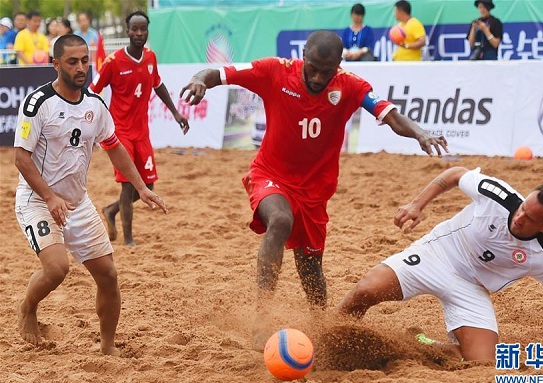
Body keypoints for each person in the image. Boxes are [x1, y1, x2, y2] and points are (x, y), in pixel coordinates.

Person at [180, 30, 448, 349]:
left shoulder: (350, 85)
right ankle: (262, 316)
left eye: (328, 70)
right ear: (303, 55)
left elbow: (390, 115)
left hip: (315, 193)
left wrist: (420, 134)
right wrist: (199, 79)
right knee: (279, 220)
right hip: (270, 175)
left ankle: (323, 327)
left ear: (339, 63)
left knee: (311, 270)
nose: (319, 77)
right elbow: (218, 73)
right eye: (314, 67)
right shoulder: (275, 70)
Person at [14, 34, 168, 355]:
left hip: (78, 203)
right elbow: (21, 159)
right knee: (57, 269)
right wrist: (51, 198)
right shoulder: (38, 103)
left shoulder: (95, 105)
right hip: (38, 201)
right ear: (56, 65)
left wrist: (140, 187)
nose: (81, 67)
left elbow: (114, 147)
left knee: (109, 275)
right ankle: (28, 307)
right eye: (72, 62)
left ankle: (108, 348)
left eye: (85, 60)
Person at [337, 166, 543, 362]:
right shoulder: (498, 195)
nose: (519, 217)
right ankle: (331, 338)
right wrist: (417, 204)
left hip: (472, 287)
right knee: (366, 290)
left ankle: (419, 342)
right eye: (522, 208)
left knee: (481, 363)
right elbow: (456, 174)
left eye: (529, 218)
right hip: (438, 253)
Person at [90, 11, 189, 246]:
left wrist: (176, 113)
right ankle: (129, 239)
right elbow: (93, 91)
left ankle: (112, 211)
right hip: (120, 133)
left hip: (142, 132)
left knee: (148, 185)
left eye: (142, 29)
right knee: (128, 186)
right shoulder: (113, 62)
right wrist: (92, 123)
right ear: (127, 31)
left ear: (147, 31)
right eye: (134, 29)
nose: (138, 33)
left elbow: (158, 84)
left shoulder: (151, 57)